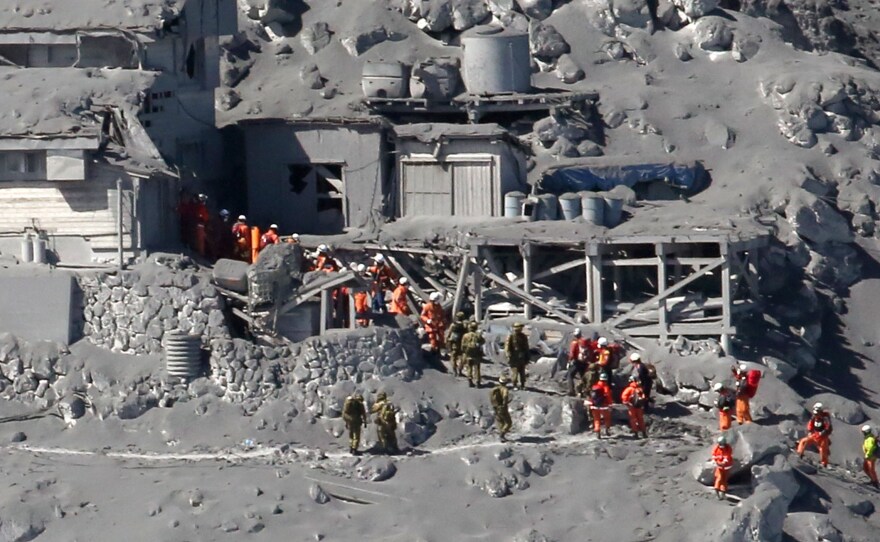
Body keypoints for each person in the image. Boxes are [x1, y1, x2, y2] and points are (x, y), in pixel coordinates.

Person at [797, 402, 833, 467]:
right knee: (803, 441)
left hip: (822, 437)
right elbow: (810, 424)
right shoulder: (814, 417)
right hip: (814, 435)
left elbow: (828, 426)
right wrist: (810, 430)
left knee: (823, 450)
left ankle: (824, 463)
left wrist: (822, 432)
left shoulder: (825, 418)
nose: (816, 414)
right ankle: (799, 453)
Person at [566, 329, 595, 396]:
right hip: (585, 362)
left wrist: (569, 361)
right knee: (583, 377)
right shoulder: (586, 343)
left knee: (570, 375)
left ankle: (571, 391)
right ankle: (585, 392)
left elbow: (572, 354)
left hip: (577, 362)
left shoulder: (575, 342)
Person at [621, 374, 648, 438]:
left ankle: (636, 434)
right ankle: (644, 433)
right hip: (639, 406)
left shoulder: (629, 389)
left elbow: (624, 396)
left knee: (633, 420)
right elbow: (644, 397)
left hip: (632, 406)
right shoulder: (640, 389)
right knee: (641, 419)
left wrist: (626, 402)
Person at [504, 322, 530, 390]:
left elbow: (526, 347)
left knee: (522, 372)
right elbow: (507, 346)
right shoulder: (511, 336)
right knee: (514, 372)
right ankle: (514, 384)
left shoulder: (523, 336)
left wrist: (527, 357)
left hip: (521, 357)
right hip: (514, 357)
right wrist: (508, 355)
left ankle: (522, 384)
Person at [461, 321, 485, 388]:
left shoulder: (465, 335)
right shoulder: (478, 335)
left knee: (469, 368)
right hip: (476, 355)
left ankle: (470, 381)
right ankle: (478, 382)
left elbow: (462, 345)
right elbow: (483, 341)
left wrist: (464, 352)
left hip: (468, 354)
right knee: (477, 368)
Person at [589, 373, 614, 438]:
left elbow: (591, 397)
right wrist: (610, 404)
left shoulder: (595, 386)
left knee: (596, 419)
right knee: (607, 418)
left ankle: (597, 431)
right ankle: (607, 430)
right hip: (604, 406)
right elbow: (608, 396)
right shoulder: (606, 387)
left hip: (595, 405)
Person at [711, 435, 734, 500]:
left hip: (726, 466)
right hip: (719, 466)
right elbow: (714, 454)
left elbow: (728, 455)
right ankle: (717, 492)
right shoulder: (717, 448)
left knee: (724, 479)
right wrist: (715, 460)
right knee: (719, 478)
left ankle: (723, 492)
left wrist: (724, 461)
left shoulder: (728, 448)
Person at [491, 374, 513, 442]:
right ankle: (502, 435)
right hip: (502, 407)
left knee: (500, 421)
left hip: (495, 407)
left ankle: (501, 435)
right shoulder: (504, 389)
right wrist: (505, 404)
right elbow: (505, 397)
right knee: (508, 423)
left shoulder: (495, 389)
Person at [445, 312, 467, 376]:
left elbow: (449, 334)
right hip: (461, 344)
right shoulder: (464, 325)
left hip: (454, 343)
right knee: (462, 358)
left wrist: (447, 341)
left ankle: (454, 371)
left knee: (453, 357)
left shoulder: (453, 325)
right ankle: (460, 370)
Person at [862, 424, 879, 488]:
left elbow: (872, 447)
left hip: (870, 456)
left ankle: (875, 483)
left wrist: (868, 454)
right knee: (866, 468)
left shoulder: (870, 438)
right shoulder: (869, 438)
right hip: (868, 456)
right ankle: (873, 480)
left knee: (870, 469)